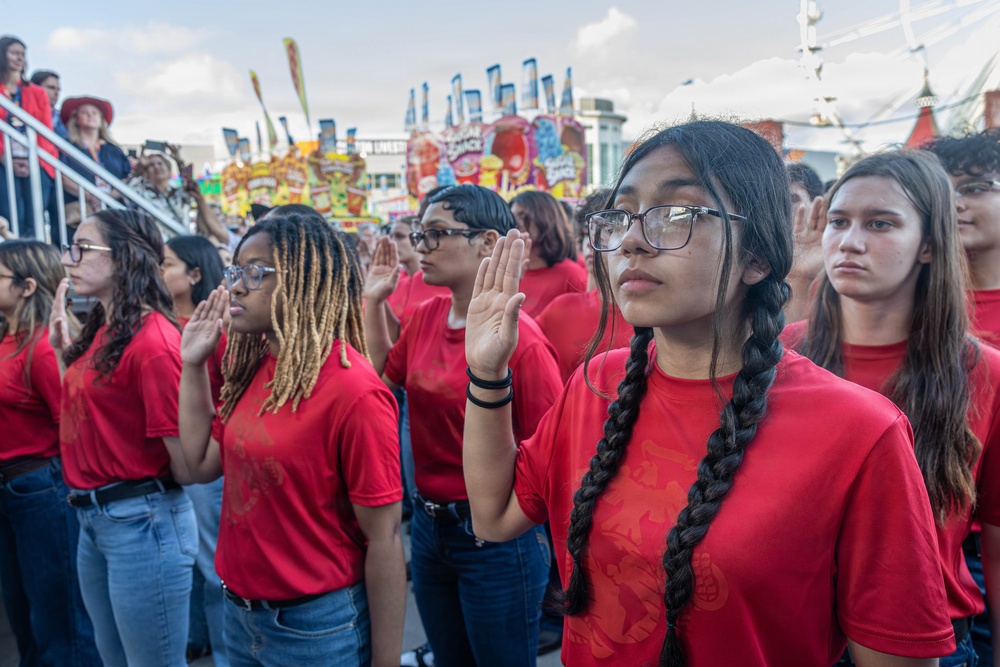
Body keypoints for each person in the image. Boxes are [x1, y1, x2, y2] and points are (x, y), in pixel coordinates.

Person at [461, 120, 954, 666]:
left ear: (757, 258)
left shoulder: (861, 431)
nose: (631, 241)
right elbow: (494, 517)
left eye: (678, 215)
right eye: (620, 216)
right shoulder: (597, 384)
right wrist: (487, 372)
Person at [785, 150, 1000, 666]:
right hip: (797, 634)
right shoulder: (782, 355)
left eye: (880, 223)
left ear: (928, 245)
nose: (850, 242)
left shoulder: (985, 373)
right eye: (838, 221)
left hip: (931, 639)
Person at [174, 211, 406, 667]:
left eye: (256, 272)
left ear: (305, 280)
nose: (236, 286)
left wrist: (386, 661)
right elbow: (196, 467)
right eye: (236, 270)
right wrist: (192, 365)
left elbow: (385, 541)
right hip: (240, 618)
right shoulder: (257, 369)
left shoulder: (354, 391)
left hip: (317, 630)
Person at [365, 184, 562, 667]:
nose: (420, 247)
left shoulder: (525, 344)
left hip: (495, 543)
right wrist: (373, 303)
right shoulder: (427, 314)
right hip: (431, 531)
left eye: (435, 234)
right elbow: (384, 381)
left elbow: (552, 458)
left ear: (488, 242)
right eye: (420, 234)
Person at [51, 208, 196, 667]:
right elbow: (89, 416)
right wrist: (60, 352)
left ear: (123, 258)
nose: (68, 259)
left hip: (142, 521)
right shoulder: (105, 328)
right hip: (97, 520)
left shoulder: (153, 341)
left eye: (81, 248)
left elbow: (187, 465)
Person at [0, 240, 100, 666]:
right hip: (13, 490)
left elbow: (74, 426)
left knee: (59, 620)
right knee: (24, 612)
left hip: (41, 489)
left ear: (25, 286)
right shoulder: (10, 338)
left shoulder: (42, 347)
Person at [927, 129, 1000, 664]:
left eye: (974, 187)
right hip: (930, 543)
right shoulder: (880, 304)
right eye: (942, 188)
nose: (955, 202)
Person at [161, 234, 228, 667]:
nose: (158, 272)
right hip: (168, 462)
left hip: (204, 462)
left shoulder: (216, 329)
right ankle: (197, 638)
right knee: (189, 559)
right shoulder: (157, 324)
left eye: (166, 264)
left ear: (195, 274)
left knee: (212, 564)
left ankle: (227, 653)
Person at [536, 189, 633, 383]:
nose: (592, 242)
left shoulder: (654, 317)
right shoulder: (560, 310)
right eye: (586, 232)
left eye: (607, 229)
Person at [0, 36, 57, 239]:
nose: (19, 58)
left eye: (22, 54)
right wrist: (5, 157)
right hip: (3, 160)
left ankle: (32, 260)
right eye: (14, 53)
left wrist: (32, 159)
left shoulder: (37, 92)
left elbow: (45, 131)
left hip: (35, 160)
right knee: (10, 212)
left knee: (34, 218)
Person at [58, 96, 131, 245]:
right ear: (75, 118)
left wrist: (110, 196)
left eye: (95, 112)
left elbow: (127, 177)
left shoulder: (113, 150)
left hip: (113, 207)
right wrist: (90, 196)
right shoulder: (67, 147)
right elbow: (62, 175)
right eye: (85, 112)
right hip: (79, 209)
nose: (91, 115)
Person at [509, 190, 587, 317]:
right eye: (512, 216)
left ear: (546, 218)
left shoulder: (572, 275)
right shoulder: (507, 271)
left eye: (522, 215)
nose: (515, 223)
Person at [128, 147, 228, 244]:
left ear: (169, 171)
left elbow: (189, 185)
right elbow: (128, 188)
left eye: (160, 163)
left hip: (182, 242)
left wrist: (179, 162)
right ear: (147, 172)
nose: (156, 167)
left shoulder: (178, 192)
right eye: (151, 165)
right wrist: (140, 167)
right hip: (156, 243)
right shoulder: (141, 191)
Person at [784, 161, 826, 323]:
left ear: (817, 204)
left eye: (793, 199)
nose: (785, 207)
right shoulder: (762, 253)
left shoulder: (834, 256)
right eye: (779, 199)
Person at [29, 70, 66, 139]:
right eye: (51, 88)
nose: (56, 93)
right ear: (35, 88)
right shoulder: (23, 111)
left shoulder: (62, 119)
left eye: (58, 90)